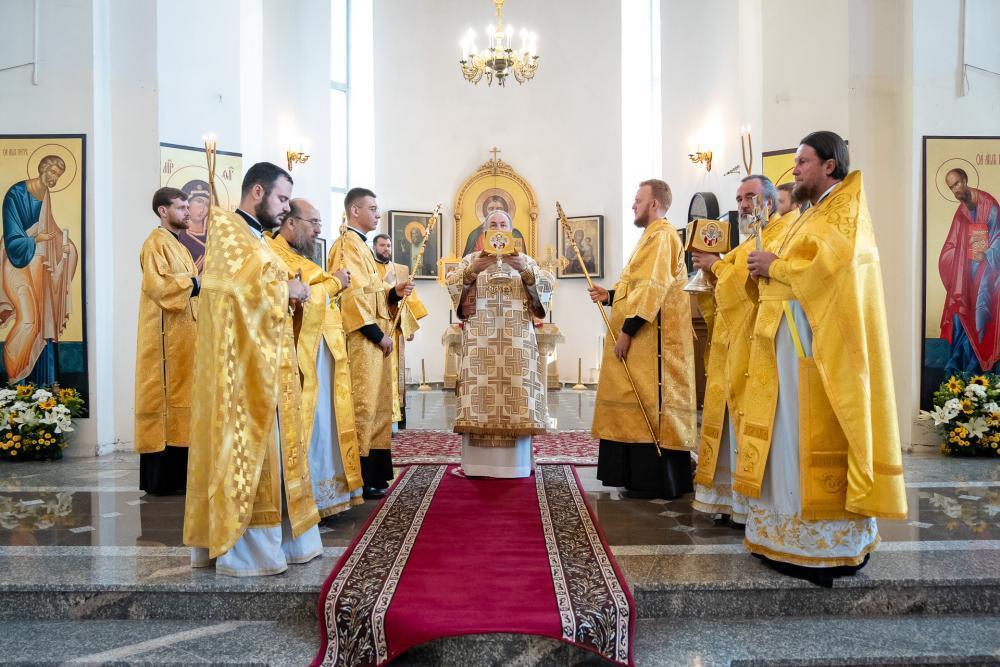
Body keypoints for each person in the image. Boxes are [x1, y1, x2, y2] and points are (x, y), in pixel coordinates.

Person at [742, 131, 907, 586]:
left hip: (818, 353)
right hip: (788, 346)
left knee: (806, 434)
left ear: (829, 165)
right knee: (785, 436)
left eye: (802, 162)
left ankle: (821, 545)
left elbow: (831, 273)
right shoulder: (810, 213)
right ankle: (784, 536)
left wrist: (774, 266)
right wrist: (764, 270)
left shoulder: (844, 209)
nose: (794, 170)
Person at [183, 162, 321, 577]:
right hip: (242, 375)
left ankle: (284, 542)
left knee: (278, 459)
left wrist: (288, 293)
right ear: (257, 192)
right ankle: (248, 552)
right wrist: (286, 289)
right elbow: (240, 296)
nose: (286, 208)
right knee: (254, 461)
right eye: (282, 198)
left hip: (268, 365)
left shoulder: (254, 237)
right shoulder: (229, 232)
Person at [689, 175, 797, 524]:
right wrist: (709, 271)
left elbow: (748, 286)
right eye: (738, 199)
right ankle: (729, 499)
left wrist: (717, 265)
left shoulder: (781, 233)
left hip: (756, 346)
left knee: (745, 421)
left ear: (770, 201)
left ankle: (747, 504)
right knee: (727, 423)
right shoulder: (749, 239)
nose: (743, 205)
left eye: (750, 197)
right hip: (732, 344)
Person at [589, 179, 697, 499]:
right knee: (633, 404)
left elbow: (653, 288)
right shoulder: (651, 236)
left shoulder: (661, 236)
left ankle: (653, 480)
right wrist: (610, 295)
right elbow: (636, 286)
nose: (633, 205)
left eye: (638, 200)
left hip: (652, 345)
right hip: (643, 339)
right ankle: (635, 477)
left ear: (654, 204)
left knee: (649, 405)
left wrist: (627, 332)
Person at [267, 198, 364, 518]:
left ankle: (328, 495)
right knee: (312, 426)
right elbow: (301, 298)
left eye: (320, 223)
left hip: (323, 355)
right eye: (314, 223)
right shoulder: (274, 254)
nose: (319, 230)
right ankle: (308, 498)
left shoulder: (295, 256)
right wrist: (334, 283)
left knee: (326, 426)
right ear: (290, 223)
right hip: (302, 361)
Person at [447, 210, 555, 477]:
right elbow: (452, 285)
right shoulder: (471, 260)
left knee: (516, 396)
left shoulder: (525, 260)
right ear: (485, 231)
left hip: (516, 345)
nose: (498, 228)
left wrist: (525, 270)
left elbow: (546, 289)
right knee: (480, 398)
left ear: (511, 230)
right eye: (492, 224)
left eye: (503, 224)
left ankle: (516, 465)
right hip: (480, 345)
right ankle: (475, 465)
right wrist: (472, 271)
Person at [327, 188, 413, 499]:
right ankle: (358, 477)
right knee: (362, 406)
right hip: (361, 341)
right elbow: (350, 298)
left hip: (373, 343)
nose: (378, 214)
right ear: (355, 211)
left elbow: (371, 293)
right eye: (372, 208)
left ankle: (374, 475)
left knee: (375, 407)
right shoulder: (346, 246)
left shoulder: (361, 246)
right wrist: (377, 335)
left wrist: (393, 293)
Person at [134, 187, 200, 495]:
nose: (188, 212)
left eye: (188, 207)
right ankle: (161, 482)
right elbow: (159, 287)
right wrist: (196, 282)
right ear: (163, 211)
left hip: (184, 342)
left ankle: (180, 477)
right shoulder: (155, 243)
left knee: (185, 401)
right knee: (164, 401)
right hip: (164, 341)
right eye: (181, 207)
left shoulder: (180, 246)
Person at [0, 154, 79, 383]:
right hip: (15, 261)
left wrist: (66, 248)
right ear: (42, 168)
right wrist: (35, 238)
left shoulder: (45, 194)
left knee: (39, 322)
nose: (54, 178)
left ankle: (29, 381)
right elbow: (13, 238)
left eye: (58, 175)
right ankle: (14, 379)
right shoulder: (17, 192)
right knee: (28, 320)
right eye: (52, 172)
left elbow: (50, 230)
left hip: (36, 261)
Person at [938, 168, 1000, 376]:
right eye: (951, 187)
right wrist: (958, 259)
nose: (955, 190)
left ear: (965, 180)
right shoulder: (961, 212)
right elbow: (951, 245)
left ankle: (981, 370)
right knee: (959, 315)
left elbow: (999, 237)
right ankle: (960, 371)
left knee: (982, 315)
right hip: (965, 278)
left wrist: (987, 254)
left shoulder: (989, 204)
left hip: (988, 276)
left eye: (956, 184)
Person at [373, 233, 428, 431]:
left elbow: (409, 297)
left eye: (388, 245)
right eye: (382, 245)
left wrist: (409, 327)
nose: (386, 248)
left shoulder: (401, 270)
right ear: (374, 247)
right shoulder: (369, 268)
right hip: (376, 326)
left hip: (395, 328)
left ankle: (397, 416)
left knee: (395, 372)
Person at [177, 180, 211, 274]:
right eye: (199, 201)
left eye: (207, 204)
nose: (203, 209)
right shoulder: (178, 236)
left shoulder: (213, 235)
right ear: (187, 204)